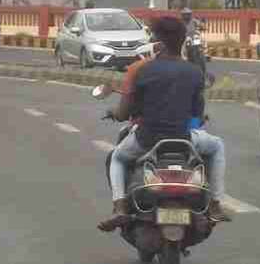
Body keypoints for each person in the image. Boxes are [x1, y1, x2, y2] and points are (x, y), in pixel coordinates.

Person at [98, 16, 232, 232]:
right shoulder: (194, 72)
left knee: (117, 157)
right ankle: (215, 204)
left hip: (146, 140)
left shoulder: (143, 71)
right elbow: (197, 114)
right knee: (217, 146)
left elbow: (125, 112)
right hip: (184, 139)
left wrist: (116, 112)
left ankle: (120, 207)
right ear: (182, 42)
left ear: (157, 41)